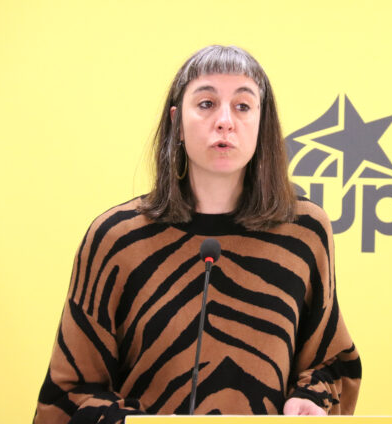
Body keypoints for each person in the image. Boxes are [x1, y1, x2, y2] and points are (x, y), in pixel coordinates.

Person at [34, 45, 361, 423]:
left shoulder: (304, 231)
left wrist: (310, 400)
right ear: (177, 121)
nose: (225, 121)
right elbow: (71, 391)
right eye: (206, 104)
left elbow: (331, 363)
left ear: (263, 122)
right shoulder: (117, 238)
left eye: (243, 106)